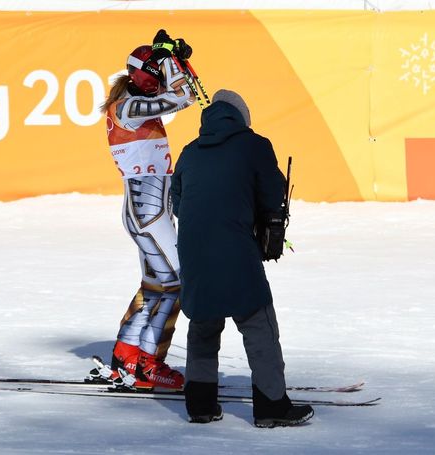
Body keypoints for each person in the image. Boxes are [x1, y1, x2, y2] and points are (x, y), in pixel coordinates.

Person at [170, 89, 314, 427]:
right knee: (258, 322)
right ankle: (271, 406)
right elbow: (272, 193)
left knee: (204, 324)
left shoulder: (190, 153)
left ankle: (200, 405)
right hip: (235, 247)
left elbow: (178, 201)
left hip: (193, 250)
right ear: (242, 119)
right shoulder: (254, 145)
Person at [94, 30, 195, 390]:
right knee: (180, 281)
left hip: (150, 208)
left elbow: (189, 90)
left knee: (158, 285)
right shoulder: (128, 108)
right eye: (154, 76)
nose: (157, 85)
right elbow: (182, 97)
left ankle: (128, 356)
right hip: (148, 210)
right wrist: (169, 60)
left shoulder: (133, 104)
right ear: (140, 77)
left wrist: (178, 60)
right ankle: (148, 362)